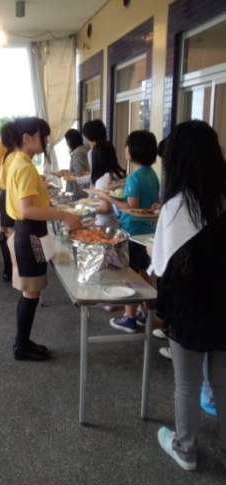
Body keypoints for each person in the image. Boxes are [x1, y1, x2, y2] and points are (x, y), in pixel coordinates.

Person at [152, 120, 226, 471]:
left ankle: (186, 449)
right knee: (223, 383)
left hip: (189, 313)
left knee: (187, 384)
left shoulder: (176, 209)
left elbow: (164, 269)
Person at [5, 117, 82, 361]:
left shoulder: (18, 160)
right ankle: (21, 346)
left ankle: (23, 341)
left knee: (30, 291)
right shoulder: (25, 166)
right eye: (43, 136)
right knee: (30, 292)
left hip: (28, 232)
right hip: (30, 233)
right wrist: (63, 215)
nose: (47, 141)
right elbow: (27, 209)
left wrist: (41, 188)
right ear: (27, 138)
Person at [94, 130, 160, 333]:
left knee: (128, 274)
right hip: (146, 231)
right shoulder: (152, 174)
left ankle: (129, 317)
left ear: (132, 151)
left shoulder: (134, 178)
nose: (125, 149)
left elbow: (131, 207)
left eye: (127, 145)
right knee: (141, 272)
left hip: (131, 230)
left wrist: (107, 196)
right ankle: (146, 313)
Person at [66, 140, 126, 227]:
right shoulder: (121, 174)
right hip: (118, 223)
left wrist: (86, 210)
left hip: (105, 224)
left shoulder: (103, 180)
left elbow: (105, 208)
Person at [0, 123, 19, 281]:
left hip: (5, 195)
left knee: (8, 234)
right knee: (11, 234)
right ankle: (11, 270)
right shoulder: (15, 156)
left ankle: (8, 270)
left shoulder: (8, 155)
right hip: (11, 197)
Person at [60, 129, 90, 197]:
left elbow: (79, 173)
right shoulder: (84, 149)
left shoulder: (77, 153)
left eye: (67, 141)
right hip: (85, 186)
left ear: (70, 141)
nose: (66, 144)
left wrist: (65, 174)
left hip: (79, 189)